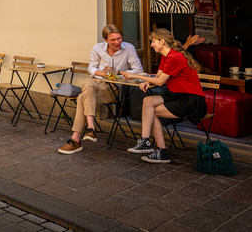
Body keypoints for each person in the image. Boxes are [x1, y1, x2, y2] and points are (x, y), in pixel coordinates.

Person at [122, 28, 207, 164]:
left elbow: (161, 82)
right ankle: (145, 142)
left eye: (153, 41)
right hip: (177, 95)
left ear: (162, 41)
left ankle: (161, 151)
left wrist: (133, 75)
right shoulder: (166, 56)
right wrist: (146, 81)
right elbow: (158, 76)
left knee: (153, 112)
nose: (151, 45)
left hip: (191, 100)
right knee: (148, 101)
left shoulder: (174, 57)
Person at [58, 24, 144, 155]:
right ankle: (90, 128)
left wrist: (117, 72)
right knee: (88, 82)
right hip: (97, 82)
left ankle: (77, 138)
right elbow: (91, 68)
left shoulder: (129, 48)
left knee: (81, 97)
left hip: (114, 87)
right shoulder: (98, 48)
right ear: (105, 40)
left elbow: (138, 70)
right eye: (113, 40)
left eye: (119, 38)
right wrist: (101, 73)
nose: (117, 42)